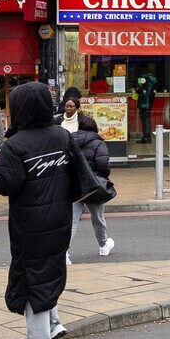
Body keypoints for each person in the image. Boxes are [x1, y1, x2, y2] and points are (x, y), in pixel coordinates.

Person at [0, 81, 80, 339]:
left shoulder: (15, 145)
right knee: (50, 270)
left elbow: (7, 184)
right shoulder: (62, 136)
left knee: (32, 280)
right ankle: (53, 324)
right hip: (61, 218)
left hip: (29, 223)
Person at [63, 96, 115, 260]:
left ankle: (64, 252)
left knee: (72, 220)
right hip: (94, 185)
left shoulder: (70, 141)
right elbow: (103, 166)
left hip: (75, 185)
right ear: (95, 129)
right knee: (98, 218)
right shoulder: (99, 144)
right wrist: (103, 178)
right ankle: (103, 246)